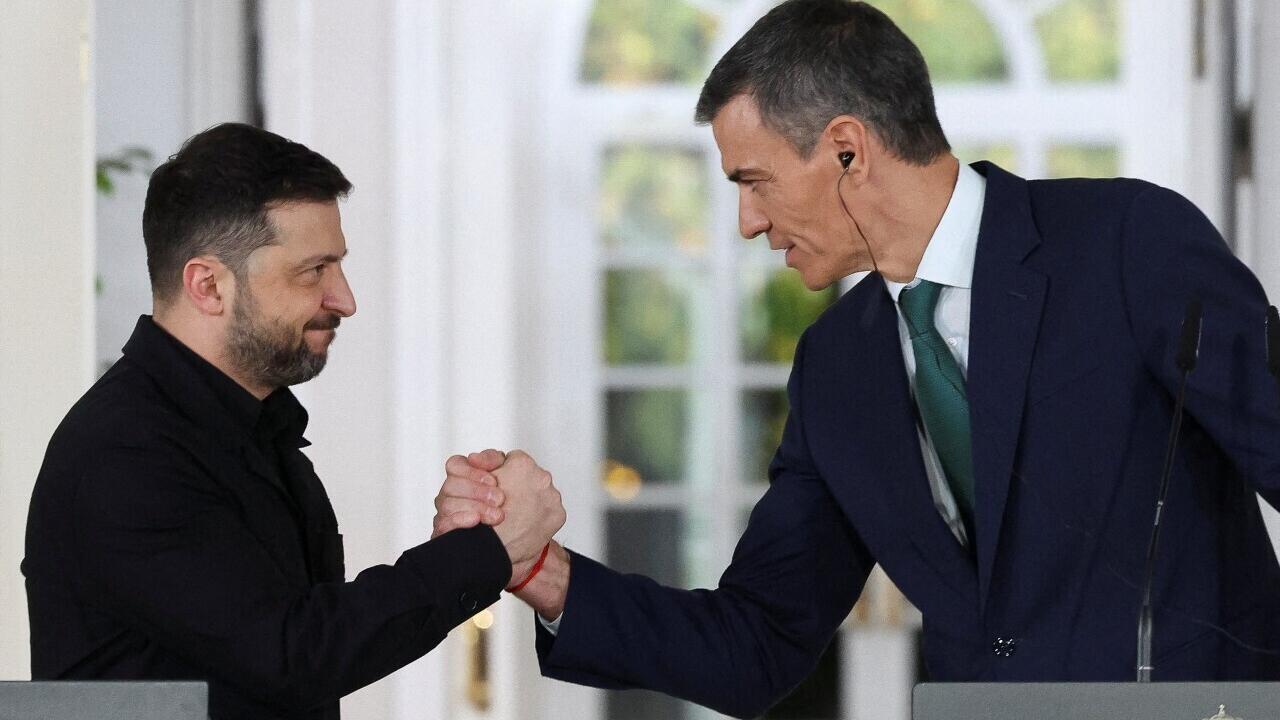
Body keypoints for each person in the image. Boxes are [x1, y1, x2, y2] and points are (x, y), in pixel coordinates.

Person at [432, 1, 1280, 717]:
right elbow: (757, 639)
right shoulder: (838, 366)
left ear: (847, 148)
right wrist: (539, 569)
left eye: (753, 181)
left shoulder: (1128, 243)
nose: (748, 224)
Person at [22, 123, 566, 720]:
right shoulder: (123, 451)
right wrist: (486, 550)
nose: (344, 298)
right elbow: (291, 654)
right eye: (315, 270)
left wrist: (467, 547)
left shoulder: (255, 427)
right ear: (207, 285)